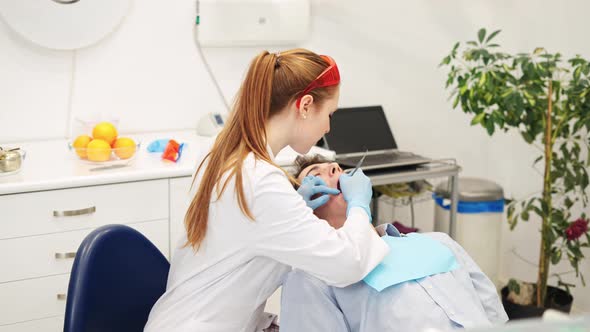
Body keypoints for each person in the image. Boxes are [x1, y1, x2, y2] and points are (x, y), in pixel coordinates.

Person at [144, 49, 389, 332]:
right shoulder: (261, 181)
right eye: (330, 114)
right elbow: (348, 264)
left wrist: (296, 208)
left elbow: (234, 258)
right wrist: (359, 205)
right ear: (306, 105)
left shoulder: (223, 152)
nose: (328, 127)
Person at [279, 155, 509, 332]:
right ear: (306, 207)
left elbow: (494, 312)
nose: (335, 168)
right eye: (315, 174)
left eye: (337, 167)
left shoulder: (439, 242)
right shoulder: (313, 279)